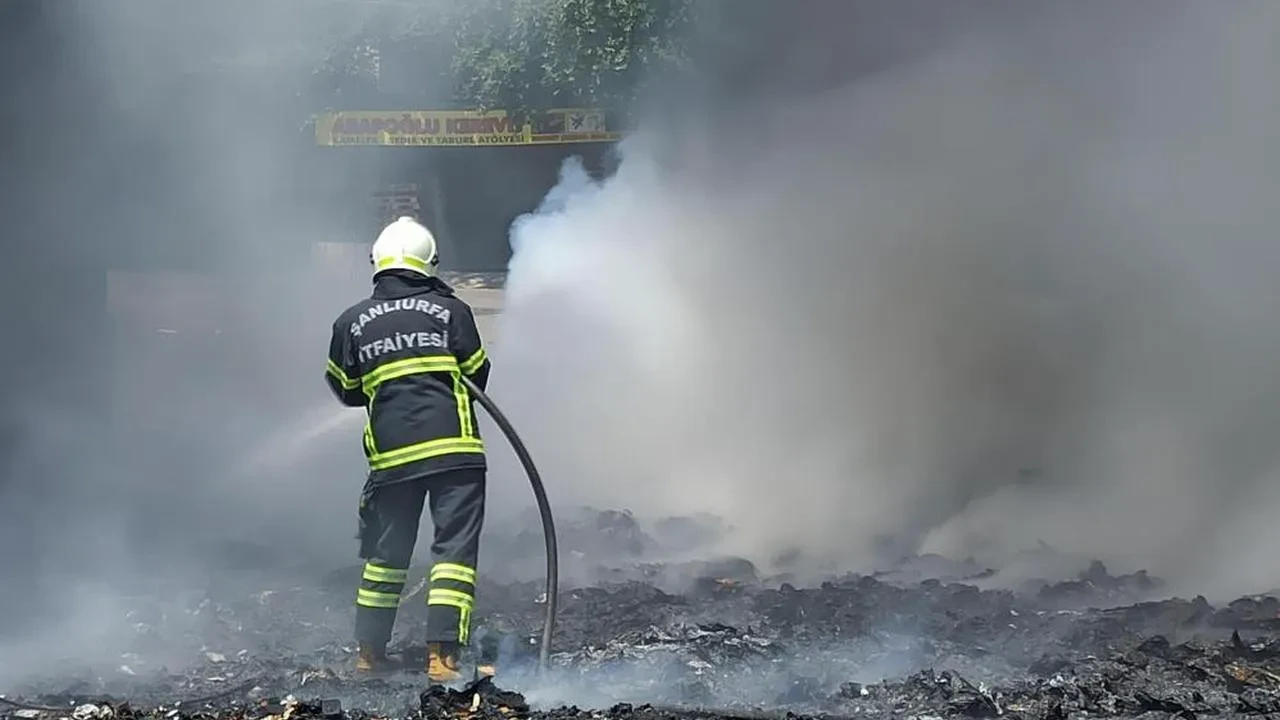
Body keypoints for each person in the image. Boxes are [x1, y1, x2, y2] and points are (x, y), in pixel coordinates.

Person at [324, 216, 492, 682]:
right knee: (453, 554)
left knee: (386, 555)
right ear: (428, 264)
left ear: (377, 264)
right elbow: (476, 372)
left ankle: (369, 654)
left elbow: (346, 388)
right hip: (455, 453)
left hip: (391, 461)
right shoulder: (451, 310)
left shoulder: (350, 321)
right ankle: (443, 659)